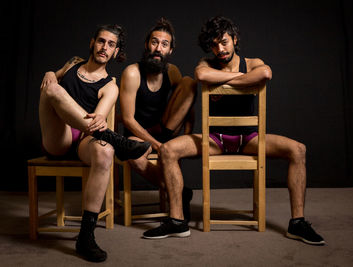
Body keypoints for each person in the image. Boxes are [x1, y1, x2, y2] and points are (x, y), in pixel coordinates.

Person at [142, 16, 325, 246]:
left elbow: (265, 73)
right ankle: (177, 221)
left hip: (249, 138)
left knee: (298, 150)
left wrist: (230, 79)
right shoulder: (207, 63)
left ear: (234, 39)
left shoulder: (252, 62)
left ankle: (297, 223)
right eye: (215, 45)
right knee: (168, 150)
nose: (220, 49)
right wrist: (242, 79)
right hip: (214, 139)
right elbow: (201, 76)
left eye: (224, 42)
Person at [39, 24, 151, 262]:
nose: (104, 47)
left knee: (105, 152)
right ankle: (114, 138)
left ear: (115, 51)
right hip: (57, 136)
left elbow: (98, 119)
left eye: (111, 45)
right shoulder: (72, 63)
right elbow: (53, 82)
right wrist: (50, 72)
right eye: (101, 41)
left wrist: (100, 124)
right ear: (92, 42)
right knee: (53, 90)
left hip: (85, 139)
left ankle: (86, 236)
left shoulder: (110, 85)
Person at [119, 17, 197, 221]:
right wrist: (155, 144)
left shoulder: (172, 72)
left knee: (189, 82)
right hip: (138, 133)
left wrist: (186, 137)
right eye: (154, 42)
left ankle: (176, 195)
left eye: (164, 44)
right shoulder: (132, 73)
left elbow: (187, 104)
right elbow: (127, 119)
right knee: (133, 156)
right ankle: (180, 192)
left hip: (164, 129)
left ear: (170, 50)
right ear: (147, 45)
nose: (158, 48)